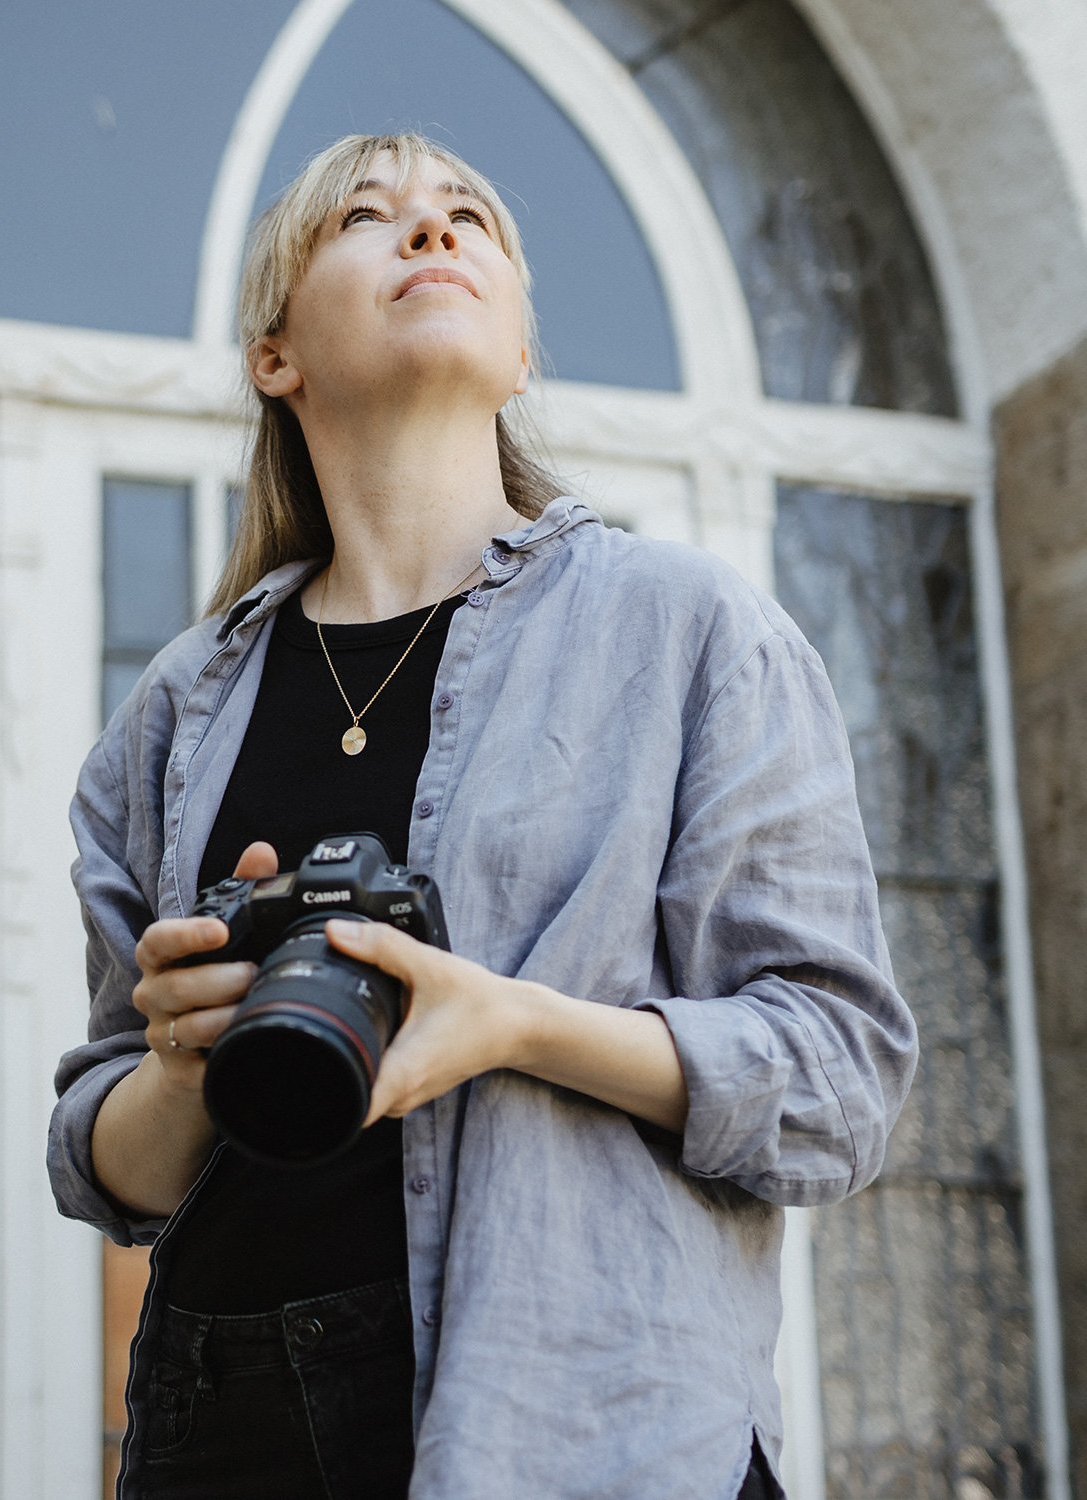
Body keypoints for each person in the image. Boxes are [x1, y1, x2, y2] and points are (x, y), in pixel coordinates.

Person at [49, 132, 917, 1500]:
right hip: (226, 1425)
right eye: (370, 216)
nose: (430, 233)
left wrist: (516, 1024)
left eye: (469, 220)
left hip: (588, 1424)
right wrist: (176, 1063)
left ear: (518, 355)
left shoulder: (689, 633)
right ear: (274, 354)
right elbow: (107, 1166)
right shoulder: (178, 708)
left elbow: (836, 1082)